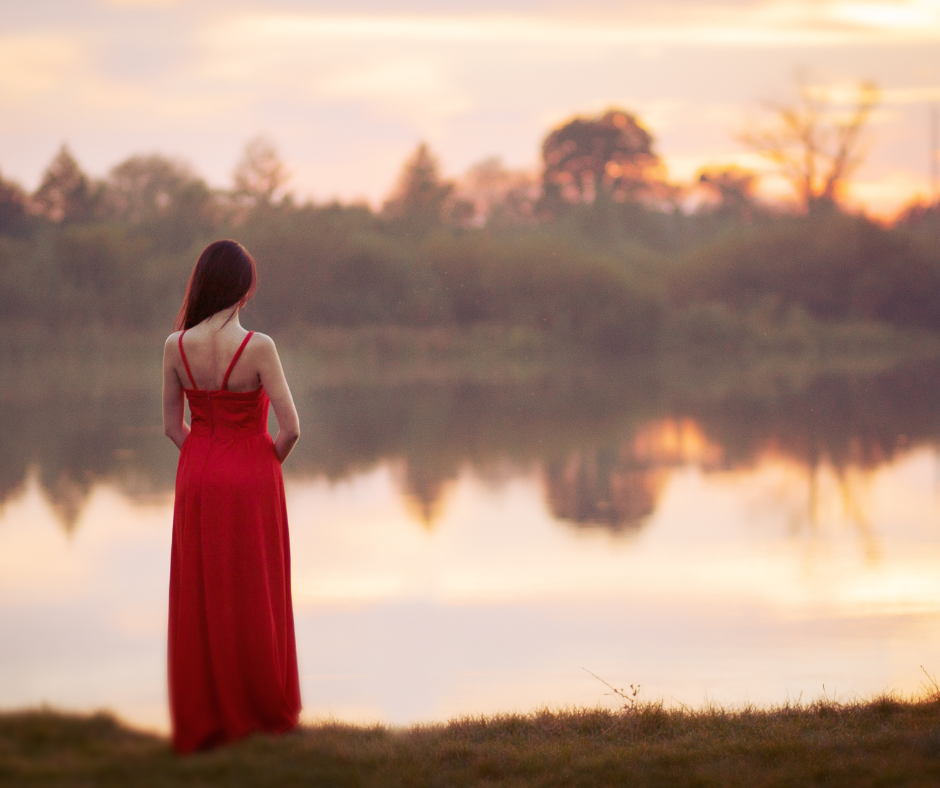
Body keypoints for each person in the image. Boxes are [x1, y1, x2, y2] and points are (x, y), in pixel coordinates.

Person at [161, 240, 302, 753]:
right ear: (243, 287)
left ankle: (209, 712)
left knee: (204, 588)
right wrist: (257, 466)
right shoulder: (259, 346)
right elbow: (291, 429)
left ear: (202, 283)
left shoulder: (175, 345)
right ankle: (259, 706)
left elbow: (172, 426)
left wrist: (204, 458)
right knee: (254, 587)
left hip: (197, 474)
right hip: (252, 477)